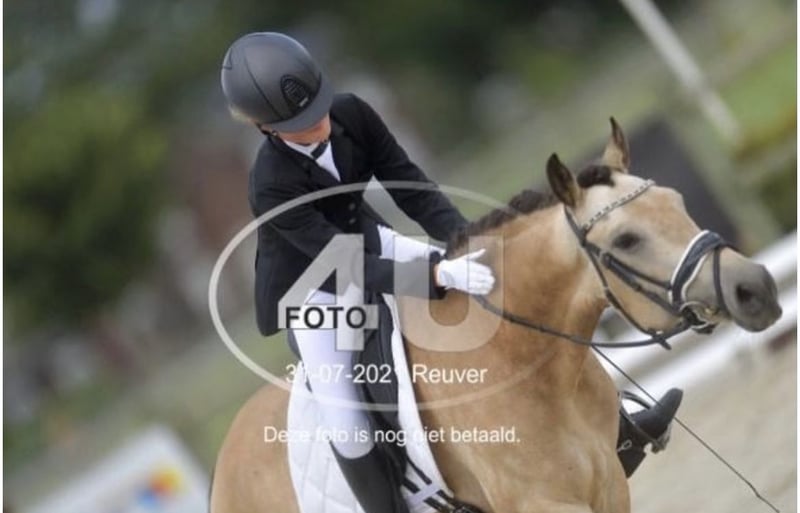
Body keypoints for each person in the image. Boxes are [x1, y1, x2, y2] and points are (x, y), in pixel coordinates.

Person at [220, 31, 681, 513]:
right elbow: (340, 262)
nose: (318, 123)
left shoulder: (352, 113)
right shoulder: (269, 184)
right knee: (345, 412)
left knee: (504, 293)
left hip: (370, 241)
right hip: (317, 288)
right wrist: (435, 276)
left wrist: (466, 246)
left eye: (318, 108)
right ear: (265, 128)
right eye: (300, 124)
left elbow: (411, 186)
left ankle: (618, 429)